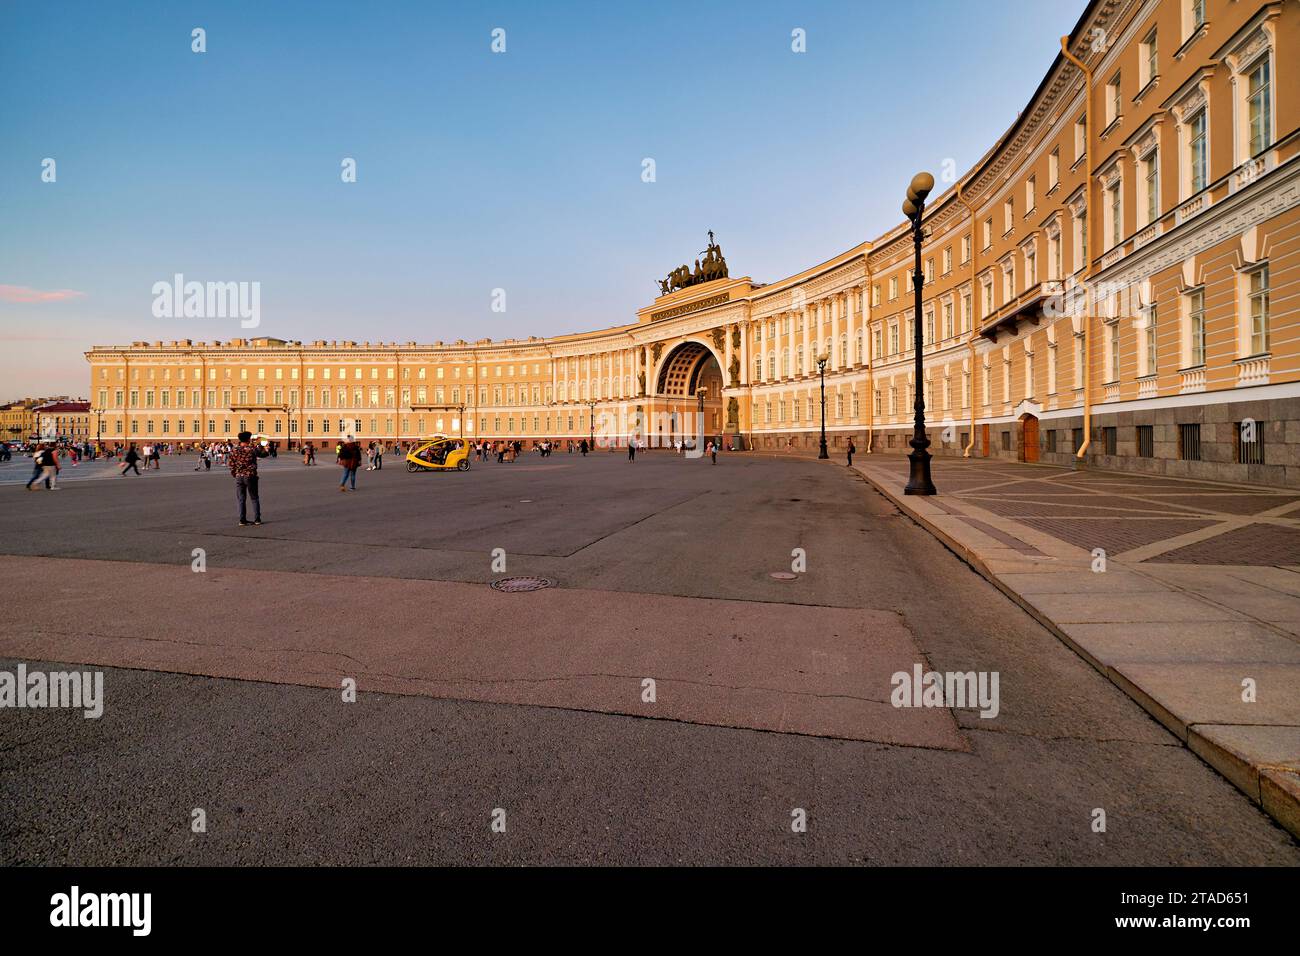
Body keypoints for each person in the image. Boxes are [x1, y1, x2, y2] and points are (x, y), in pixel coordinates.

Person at [229, 430, 263, 526]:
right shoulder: (252, 449)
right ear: (248, 439)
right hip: (250, 476)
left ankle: (242, 520)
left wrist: (235, 474)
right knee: (254, 497)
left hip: (239, 476)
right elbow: (263, 454)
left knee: (241, 499)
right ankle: (257, 519)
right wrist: (263, 446)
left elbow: (231, 464)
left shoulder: (234, 450)